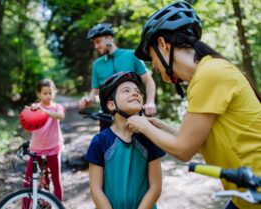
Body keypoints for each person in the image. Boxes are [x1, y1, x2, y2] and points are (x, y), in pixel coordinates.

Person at [126, 2, 261, 209]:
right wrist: (159, 126)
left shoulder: (210, 74)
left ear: (163, 44)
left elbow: (184, 150)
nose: (154, 66)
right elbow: (196, 141)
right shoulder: (207, 74)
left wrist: (142, 125)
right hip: (245, 195)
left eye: (152, 57)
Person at [85, 72, 165, 209]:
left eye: (137, 91)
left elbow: (156, 187)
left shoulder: (149, 136)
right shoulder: (100, 141)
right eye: (126, 90)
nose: (135, 93)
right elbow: (95, 189)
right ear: (111, 105)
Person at [79, 23, 157, 130]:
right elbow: (94, 91)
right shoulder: (97, 64)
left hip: (133, 115)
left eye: (98, 42)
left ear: (109, 38)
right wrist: (88, 99)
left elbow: (148, 81)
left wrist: (150, 102)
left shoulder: (131, 55)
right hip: (107, 117)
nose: (96, 46)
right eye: (94, 43)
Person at [23, 78, 65, 206]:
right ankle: (25, 207)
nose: (47, 96)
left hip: (53, 148)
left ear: (54, 92)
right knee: (28, 182)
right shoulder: (34, 108)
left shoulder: (57, 107)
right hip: (36, 149)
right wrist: (28, 113)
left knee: (56, 180)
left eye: (50, 93)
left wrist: (44, 110)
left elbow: (60, 116)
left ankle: (57, 206)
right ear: (38, 94)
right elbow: (26, 128)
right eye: (44, 93)